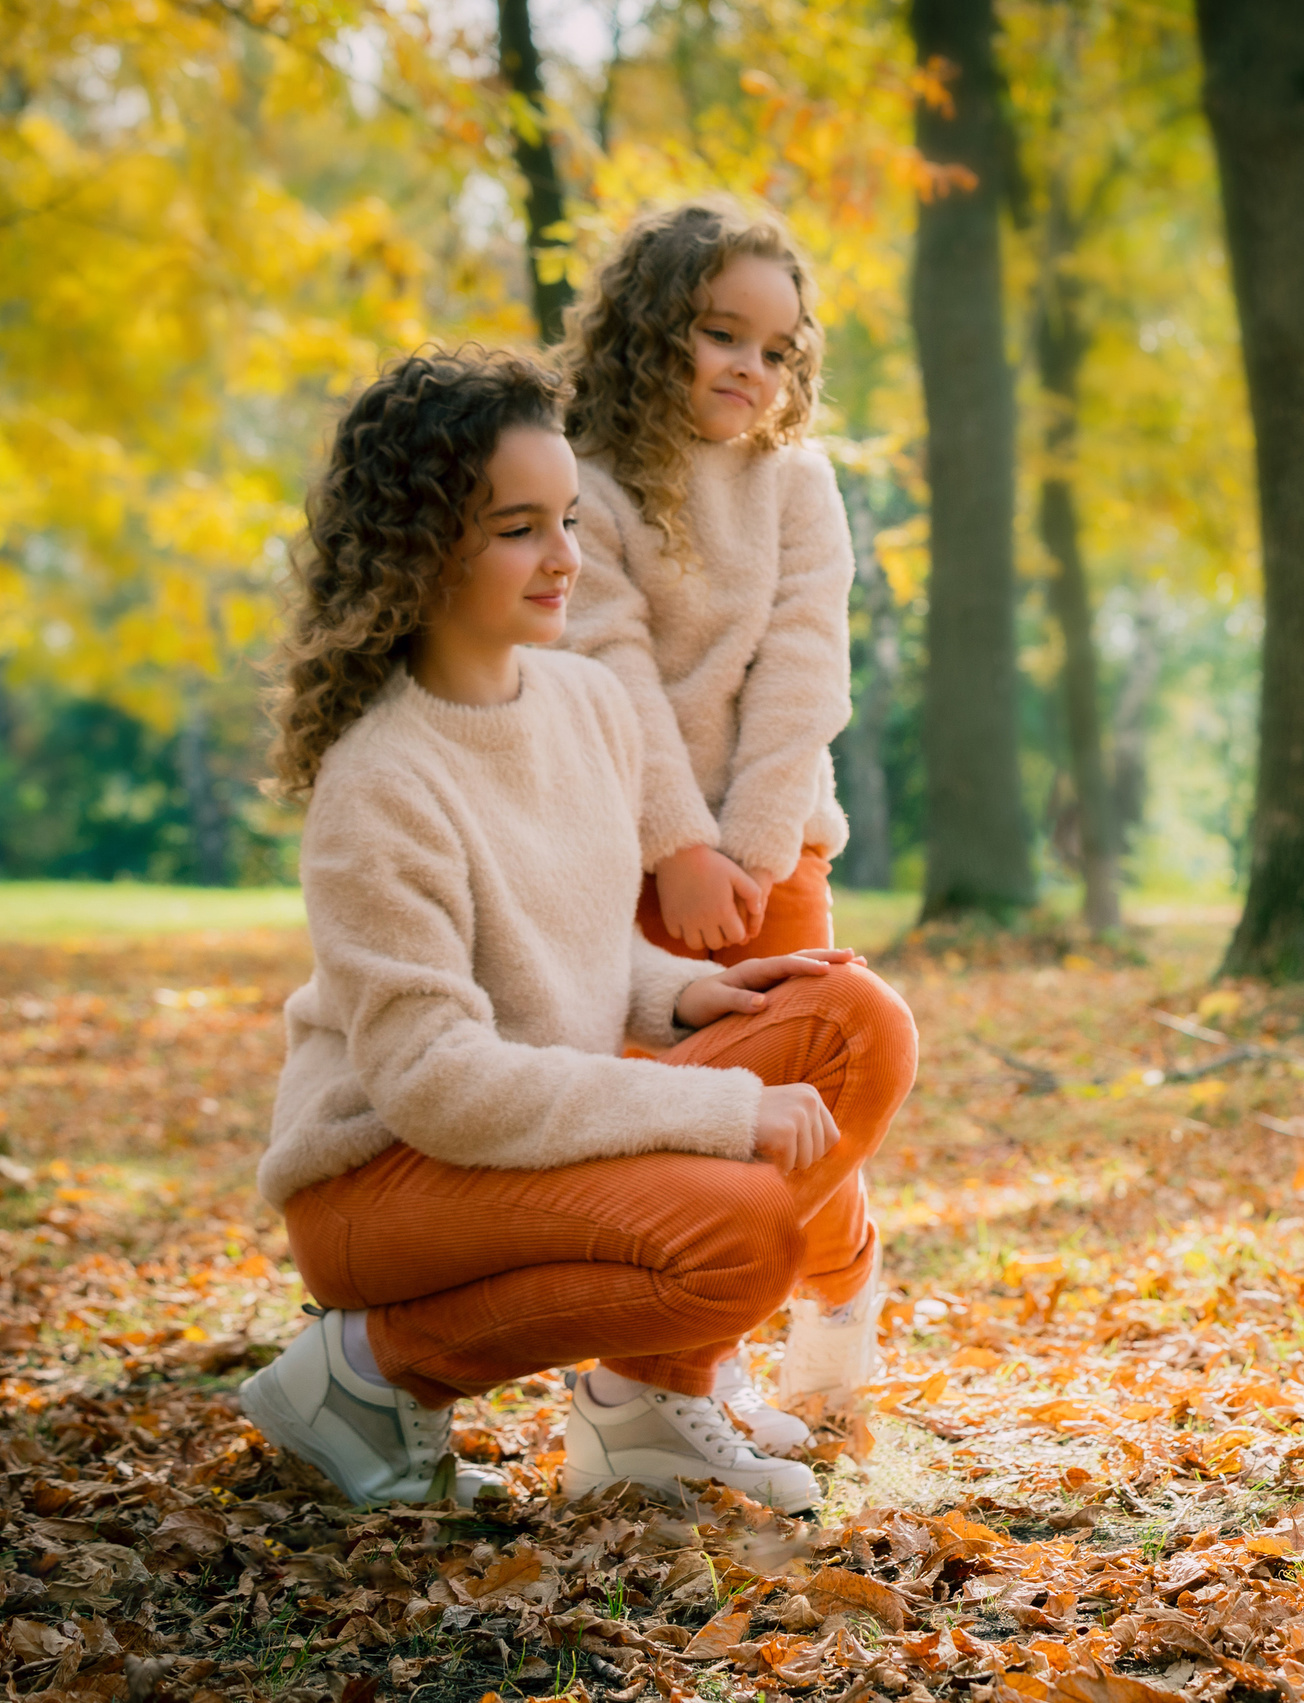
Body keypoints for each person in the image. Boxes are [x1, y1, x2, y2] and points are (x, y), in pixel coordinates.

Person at [239, 350, 915, 1514]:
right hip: (381, 1176)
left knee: (856, 1020)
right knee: (744, 1229)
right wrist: (719, 1107)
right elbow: (437, 1082)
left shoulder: (586, 704)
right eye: (518, 528)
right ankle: (364, 1370)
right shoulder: (382, 781)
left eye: (565, 517)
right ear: (420, 546)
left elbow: (580, 938)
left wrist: (676, 995)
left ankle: (648, 1409)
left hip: (507, 1123)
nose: (565, 555)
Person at [554, 201, 874, 1449]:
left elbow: (805, 667)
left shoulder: (795, 480)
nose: (752, 366)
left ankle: (840, 1279)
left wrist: (741, 853)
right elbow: (604, 658)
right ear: (650, 333)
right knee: (678, 1122)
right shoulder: (585, 480)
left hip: (776, 841)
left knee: (807, 1103)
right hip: (627, 852)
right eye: (719, 333)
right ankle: (689, 1374)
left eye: (779, 347)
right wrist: (672, 847)